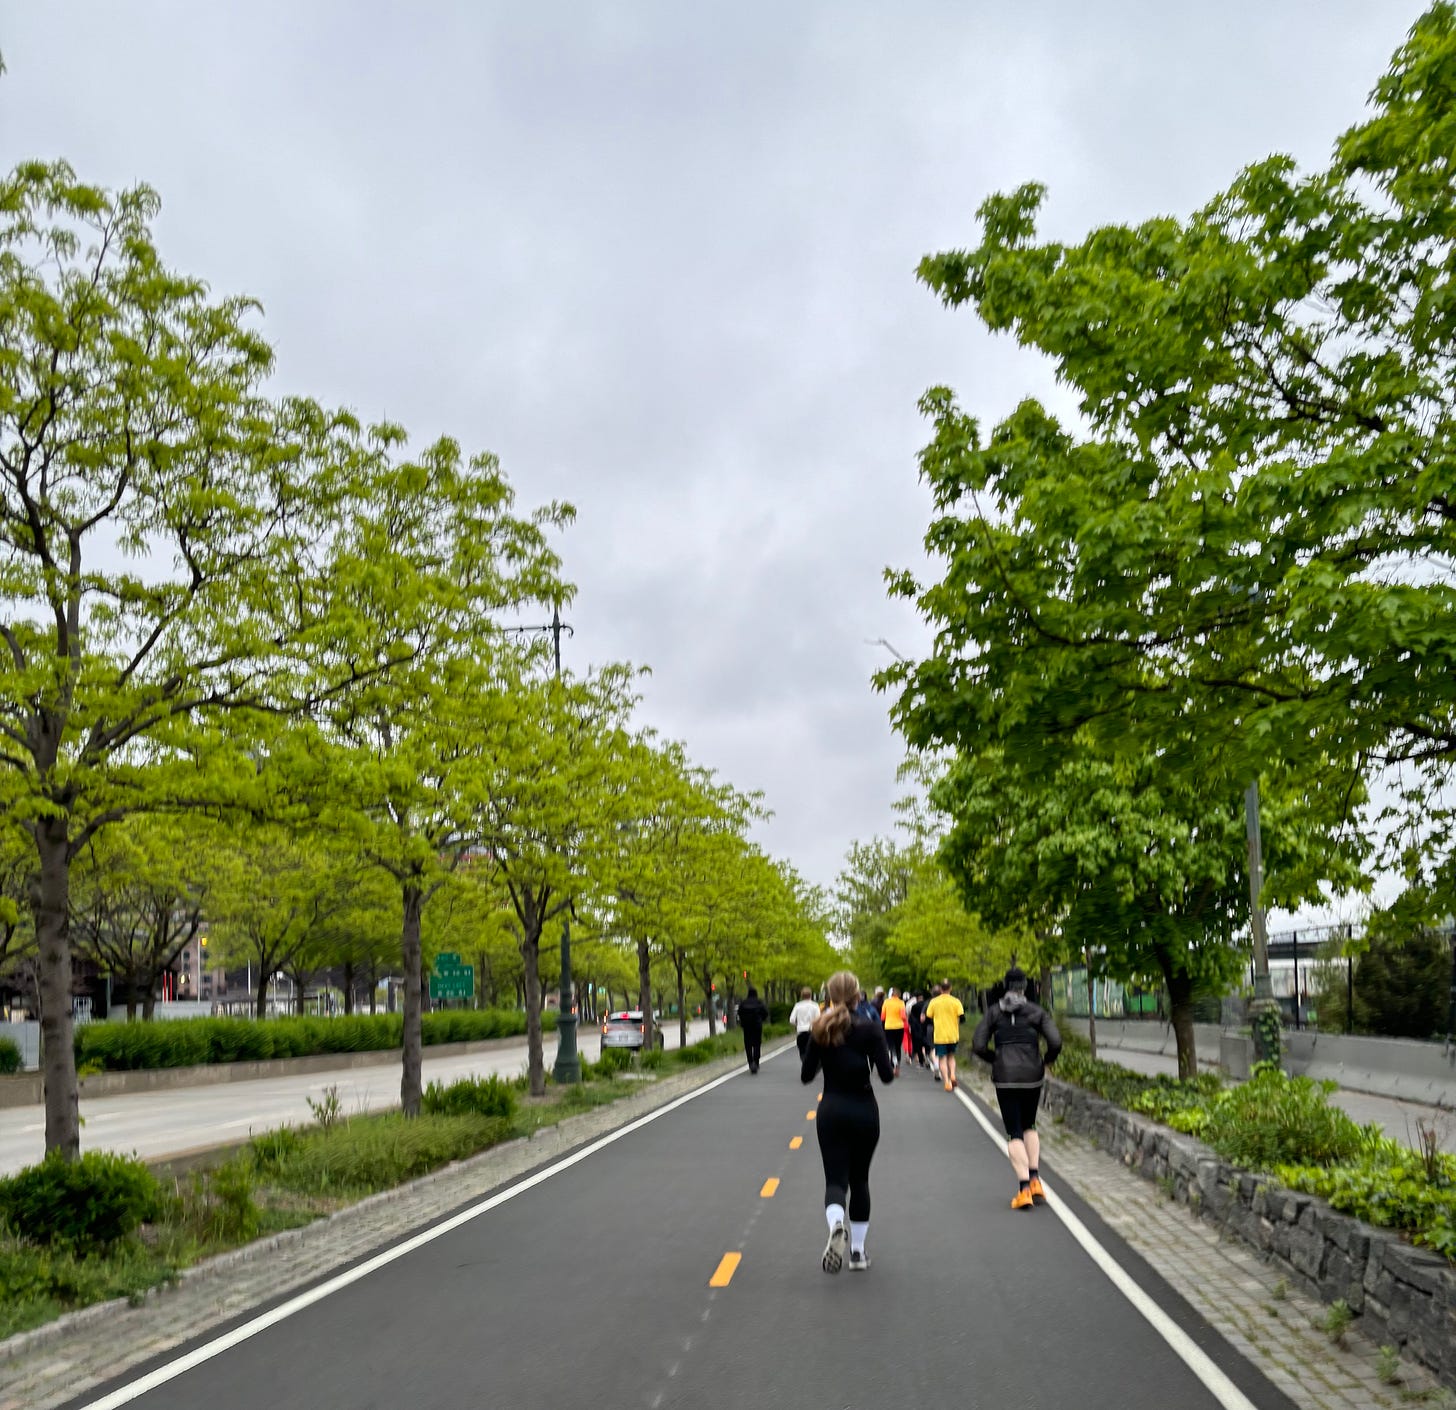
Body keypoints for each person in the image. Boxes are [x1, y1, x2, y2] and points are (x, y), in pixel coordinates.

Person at [802, 970, 894, 1273]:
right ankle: (856, 1252)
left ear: (829, 996)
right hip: (864, 1110)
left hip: (831, 1109)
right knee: (860, 1180)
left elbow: (806, 1075)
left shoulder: (820, 1028)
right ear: (858, 996)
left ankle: (836, 1223)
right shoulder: (869, 1029)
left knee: (835, 1180)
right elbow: (886, 1076)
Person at [972, 965, 1062, 1210]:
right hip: (1033, 1075)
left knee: (1014, 1132)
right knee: (1029, 1125)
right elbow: (1055, 1041)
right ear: (1025, 987)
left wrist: (996, 1059)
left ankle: (1023, 1189)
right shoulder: (1036, 1011)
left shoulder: (993, 1013)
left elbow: (978, 1045)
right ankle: (1035, 1180)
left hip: (1005, 1077)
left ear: (1005, 986)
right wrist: (1045, 1060)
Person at [924, 982, 965, 1092]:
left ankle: (947, 1082)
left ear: (941, 989)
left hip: (940, 1035)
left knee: (942, 1059)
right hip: (953, 1034)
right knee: (951, 1056)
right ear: (950, 988)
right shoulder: (956, 1001)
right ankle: (952, 1075)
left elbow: (928, 1019)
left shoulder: (934, 1002)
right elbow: (962, 1018)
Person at [737, 985, 769, 1074]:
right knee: (757, 1044)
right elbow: (765, 1013)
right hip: (757, 1026)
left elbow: (739, 1013)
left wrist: (743, 1022)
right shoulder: (759, 1002)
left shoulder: (743, 1003)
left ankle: (750, 1062)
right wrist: (760, 1019)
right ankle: (756, 1062)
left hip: (747, 1027)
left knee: (748, 1045)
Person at [789, 986, 821, 1060]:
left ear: (801, 995)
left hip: (801, 1032)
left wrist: (797, 1024)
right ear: (810, 995)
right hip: (812, 1032)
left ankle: (804, 1062)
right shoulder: (815, 1005)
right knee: (812, 1052)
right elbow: (819, 1019)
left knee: (802, 1051)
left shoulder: (798, 1006)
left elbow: (792, 1020)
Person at [880, 987, 907, 1073]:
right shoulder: (901, 1003)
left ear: (891, 994)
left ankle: (893, 1061)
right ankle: (897, 1065)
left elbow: (882, 1017)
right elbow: (903, 1016)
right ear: (899, 994)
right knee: (898, 1046)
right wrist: (904, 1020)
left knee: (891, 1046)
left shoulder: (886, 1002)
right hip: (899, 1027)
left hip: (889, 1027)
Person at [907, 992, 928, 1070]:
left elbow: (911, 1019)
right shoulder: (927, 1005)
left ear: (917, 998)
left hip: (916, 1028)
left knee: (918, 1046)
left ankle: (921, 1062)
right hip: (926, 1027)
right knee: (927, 1044)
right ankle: (928, 1056)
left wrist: (911, 1026)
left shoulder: (914, 1006)